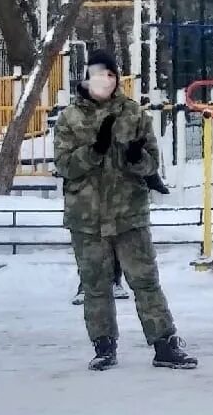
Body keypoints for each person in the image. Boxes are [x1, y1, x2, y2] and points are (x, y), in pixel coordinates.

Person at [54, 49, 197, 372]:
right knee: (95, 284)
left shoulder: (133, 113)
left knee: (145, 280)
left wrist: (136, 159)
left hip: (128, 212)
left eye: (109, 74)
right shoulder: (70, 118)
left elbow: (151, 165)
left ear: (116, 78)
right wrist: (95, 150)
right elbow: (65, 166)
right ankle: (103, 346)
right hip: (87, 217)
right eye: (97, 74)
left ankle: (164, 343)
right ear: (86, 78)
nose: (103, 80)